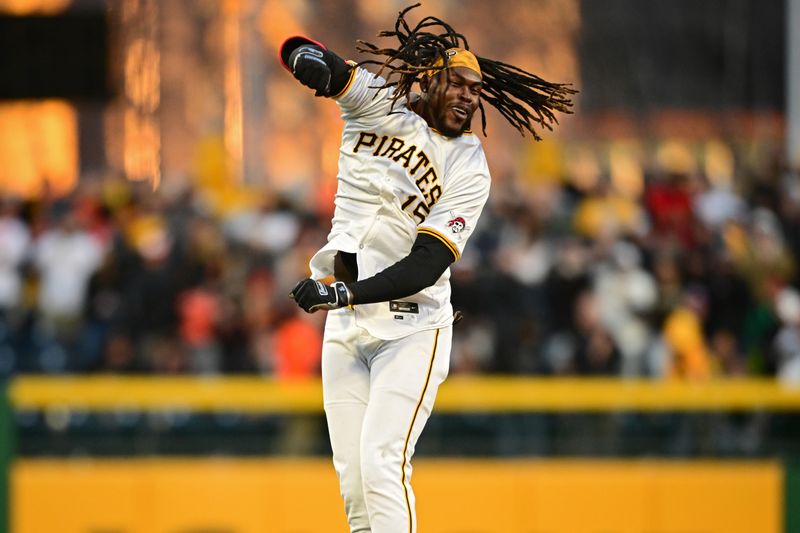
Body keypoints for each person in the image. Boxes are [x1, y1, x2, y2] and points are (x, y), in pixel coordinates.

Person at [281, 6, 575, 532]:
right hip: (347, 324)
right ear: (425, 79)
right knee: (354, 488)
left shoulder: (469, 166)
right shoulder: (379, 102)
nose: (468, 95)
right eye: (457, 83)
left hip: (412, 327)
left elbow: (426, 264)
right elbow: (304, 53)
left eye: (475, 89)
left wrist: (343, 295)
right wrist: (308, 61)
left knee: (381, 465)